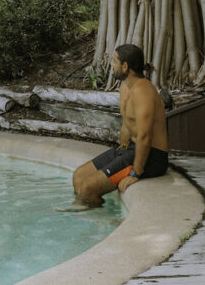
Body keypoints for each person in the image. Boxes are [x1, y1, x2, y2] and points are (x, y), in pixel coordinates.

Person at [69, 44, 169, 208]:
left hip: (152, 157)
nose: (111, 66)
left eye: (114, 62)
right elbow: (127, 125)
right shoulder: (125, 87)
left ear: (125, 66)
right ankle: (84, 209)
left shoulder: (143, 91)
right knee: (79, 176)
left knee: (88, 189)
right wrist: (119, 152)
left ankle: (103, 220)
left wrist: (136, 173)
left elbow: (145, 136)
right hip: (130, 149)